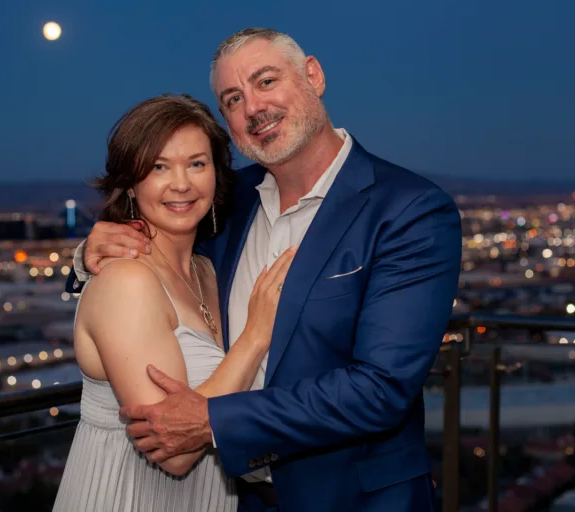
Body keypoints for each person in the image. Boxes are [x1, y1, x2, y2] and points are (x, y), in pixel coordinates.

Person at [68, 28, 462, 512]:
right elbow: (157, 259)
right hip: (239, 499)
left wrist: (214, 420)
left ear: (313, 76)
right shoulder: (226, 202)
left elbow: (379, 389)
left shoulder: (408, 210)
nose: (253, 107)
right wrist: (89, 253)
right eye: (233, 98)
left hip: (356, 500)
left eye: (266, 81)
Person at [53, 94, 296, 512]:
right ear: (131, 181)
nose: (180, 183)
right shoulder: (126, 279)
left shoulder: (209, 269)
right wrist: (255, 335)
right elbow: (176, 451)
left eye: (197, 164)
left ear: (217, 175)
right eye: (158, 167)